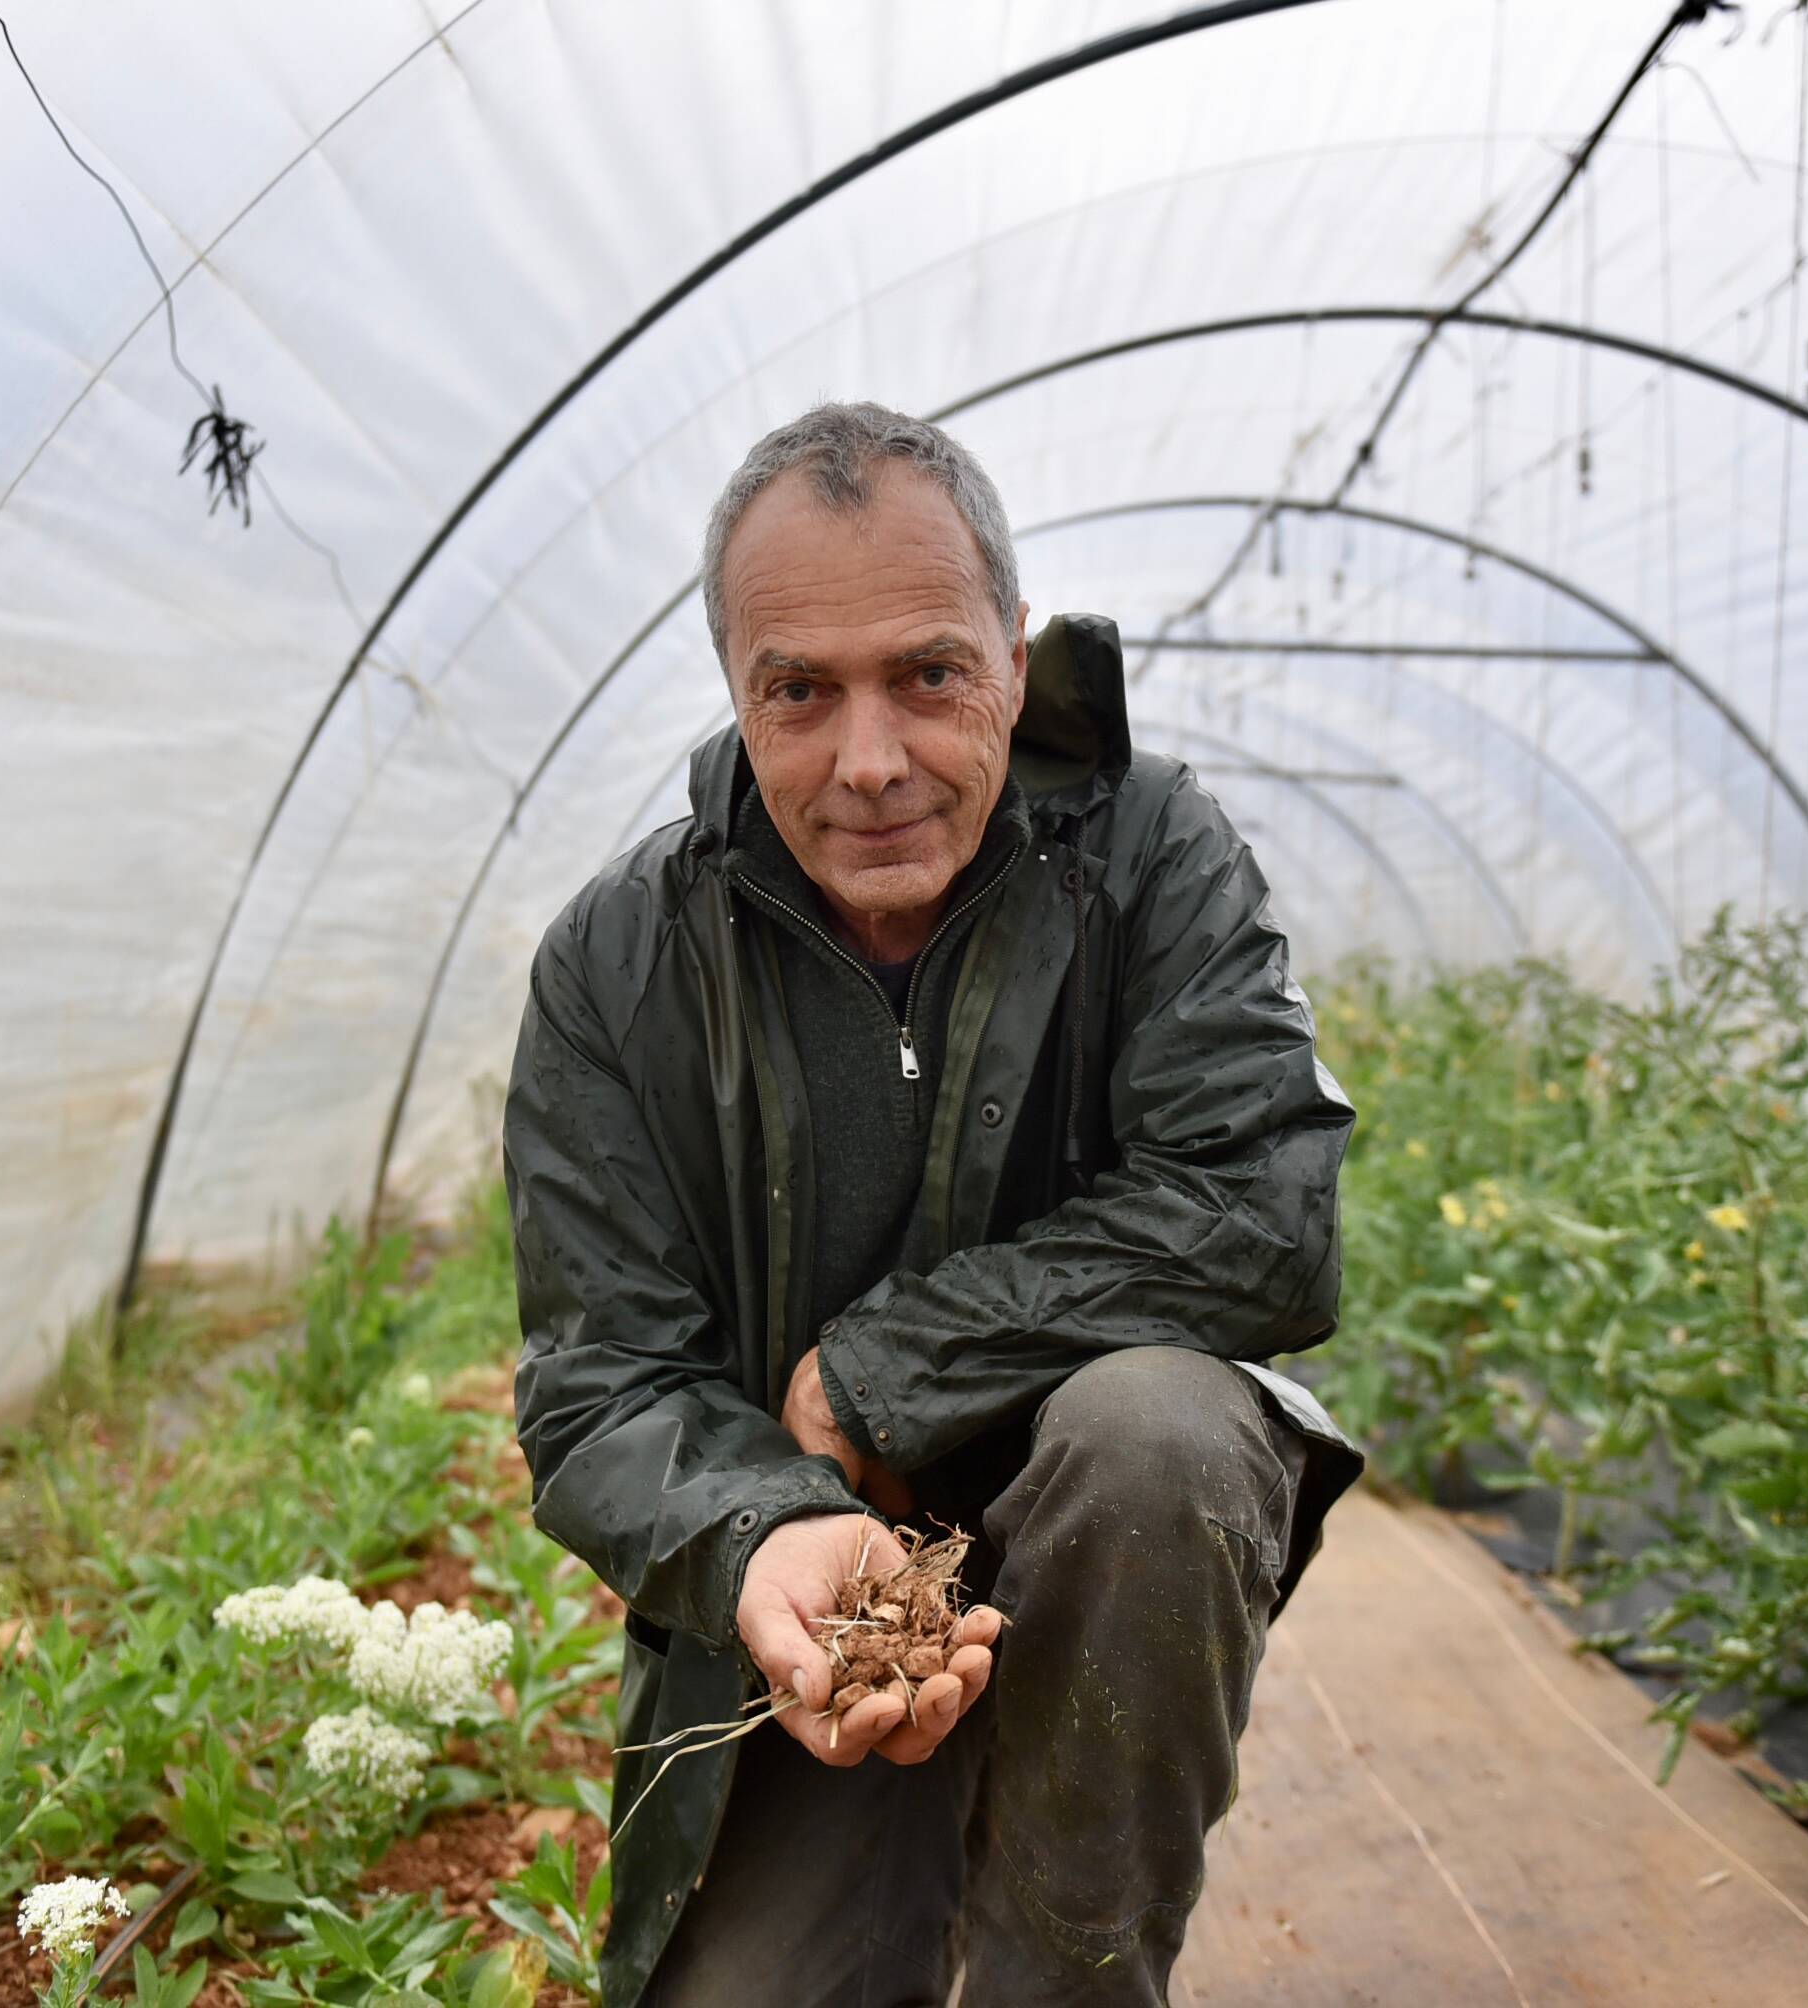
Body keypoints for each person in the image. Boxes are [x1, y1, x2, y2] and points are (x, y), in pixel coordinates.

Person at [504, 401, 1362, 2007]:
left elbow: (1265, 1210)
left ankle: (1069, 1970)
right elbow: (602, 1380)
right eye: (801, 693)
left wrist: (883, 1366)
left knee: (1162, 1432)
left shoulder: (1148, 858)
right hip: (821, 1604)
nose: (871, 760)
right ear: (738, 697)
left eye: (929, 674)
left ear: (1015, 660)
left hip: (1108, 1542)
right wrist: (771, 1531)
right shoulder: (623, 966)